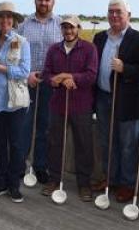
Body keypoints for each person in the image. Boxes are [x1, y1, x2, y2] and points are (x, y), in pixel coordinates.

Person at [92, 0, 139, 203]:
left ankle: (127, 184)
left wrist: (125, 68)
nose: (114, 15)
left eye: (118, 11)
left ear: (129, 14)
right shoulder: (100, 38)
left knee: (127, 144)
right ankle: (111, 179)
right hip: (103, 97)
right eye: (111, 11)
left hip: (126, 101)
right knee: (107, 141)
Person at [40, 16, 98, 202]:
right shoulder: (53, 49)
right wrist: (54, 80)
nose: (68, 31)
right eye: (65, 28)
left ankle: (84, 184)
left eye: (71, 28)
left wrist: (70, 76)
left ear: (78, 28)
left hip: (81, 105)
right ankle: (54, 179)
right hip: (57, 105)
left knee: (83, 145)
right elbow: (47, 73)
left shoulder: (89, 48)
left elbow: (91, 75)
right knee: (54, 143)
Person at [0, 1, 31, 203]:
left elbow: (24, 72)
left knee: (17, 144)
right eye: (1, 17)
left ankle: (14, 183)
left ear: (14, 21)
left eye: (9, 17)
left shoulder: (23, 42)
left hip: (16, 103)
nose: (5, 21)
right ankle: (0, 181)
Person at [18, 0, 62, 183]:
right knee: (24, 125)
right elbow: (15, 54)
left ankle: (40, 166)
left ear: (53, 2)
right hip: (27, 82)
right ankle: (19, 165)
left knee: (45, 126)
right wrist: (27, 75)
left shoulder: (61, 25)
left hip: (50, 84)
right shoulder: (24, 26)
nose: (43, 3)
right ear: (34, 1)